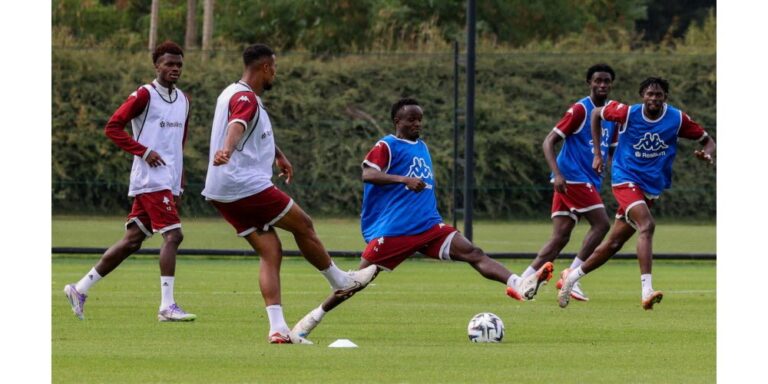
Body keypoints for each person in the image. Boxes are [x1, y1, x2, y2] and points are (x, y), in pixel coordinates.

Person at [289, 98, 553, 342]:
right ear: (397, 122)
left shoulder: (423, 146)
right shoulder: (387, 145)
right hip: (395, 231)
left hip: (428, 225)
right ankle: (310, 321)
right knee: (356, 282)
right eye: (411, 120)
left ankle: (518, 284)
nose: (417, 124)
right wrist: (404, 179)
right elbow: (368, 175)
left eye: (419, 119)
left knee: (473, 252)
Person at [201, 43, 377, 344]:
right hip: (245, 185)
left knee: (270, 251)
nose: (276, 73)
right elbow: (237, 126)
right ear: (265, 68)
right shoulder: (246, 99)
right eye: (275, 67)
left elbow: (253, 132)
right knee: (304, 224)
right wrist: (226, 150)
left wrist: (278, 155)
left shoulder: (230, 92)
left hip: (220, 190)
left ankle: (278, 328)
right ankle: (341, 280)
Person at [63, 41, 196, 322]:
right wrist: (144, 152)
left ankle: (79, 288)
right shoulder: (144, 95)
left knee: (132, 241)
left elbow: (177, 144)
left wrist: (179, 181)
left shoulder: (184, 100)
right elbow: (113, 127)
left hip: (168, 180)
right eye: (169, 64)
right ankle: (167, 306)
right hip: (150, 179)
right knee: (174, 235)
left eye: (179, 65)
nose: (174, 69)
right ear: (156, 66)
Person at [558, 77, 716, 310]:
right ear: (642, 96)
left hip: (650, 187)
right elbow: (596, 115)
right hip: (625, 178)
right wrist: (598, 154)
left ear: (665, 98)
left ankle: (571, 277)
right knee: (647, 226)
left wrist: (709, 154)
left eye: (658, 94)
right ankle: (646, 291)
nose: (653, 98)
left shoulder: (677, 118)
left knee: (613, 244)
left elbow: (708, 140)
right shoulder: (627, 112)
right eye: (649, 94)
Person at [523, 64, 619, 301]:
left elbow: (613, 152)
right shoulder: (580, 110)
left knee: (560, 236)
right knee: (601, 225)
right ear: (589, 83)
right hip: (572, 176)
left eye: (607, 81)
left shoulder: (613, 114)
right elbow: (548, 142)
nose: (603, 85)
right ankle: (572, 276)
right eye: (598, 81)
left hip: (589, 180)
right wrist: (556, 174)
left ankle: (521, 281)